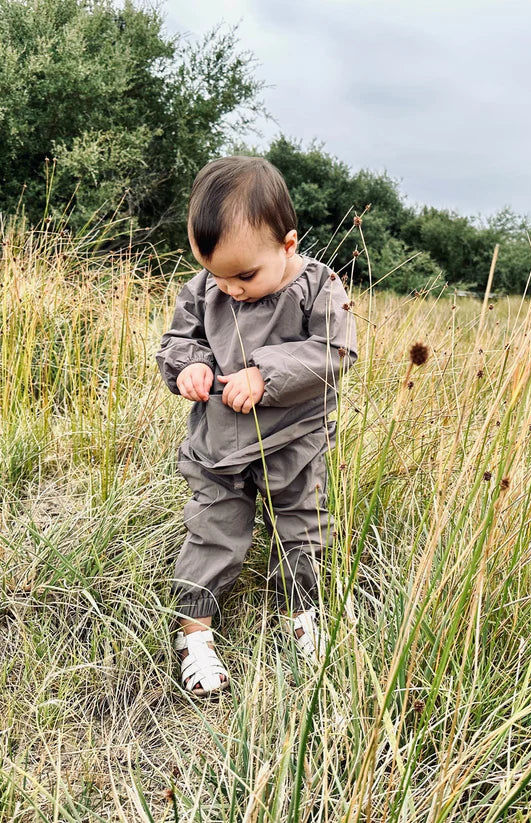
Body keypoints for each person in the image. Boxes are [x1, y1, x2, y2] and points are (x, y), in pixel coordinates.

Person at [155, 156, 358, 697]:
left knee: (302, 527)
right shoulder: (206, 288)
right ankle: (196, 636)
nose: (231, 288)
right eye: (217, 274)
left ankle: (304, 619)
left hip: (295, 441)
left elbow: (336, 351)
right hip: (219, 445)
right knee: (213, 530)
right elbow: (178, 340)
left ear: (288, 244)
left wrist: (264, 373)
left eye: (244, 275)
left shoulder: (320, 287)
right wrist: (190, 366)